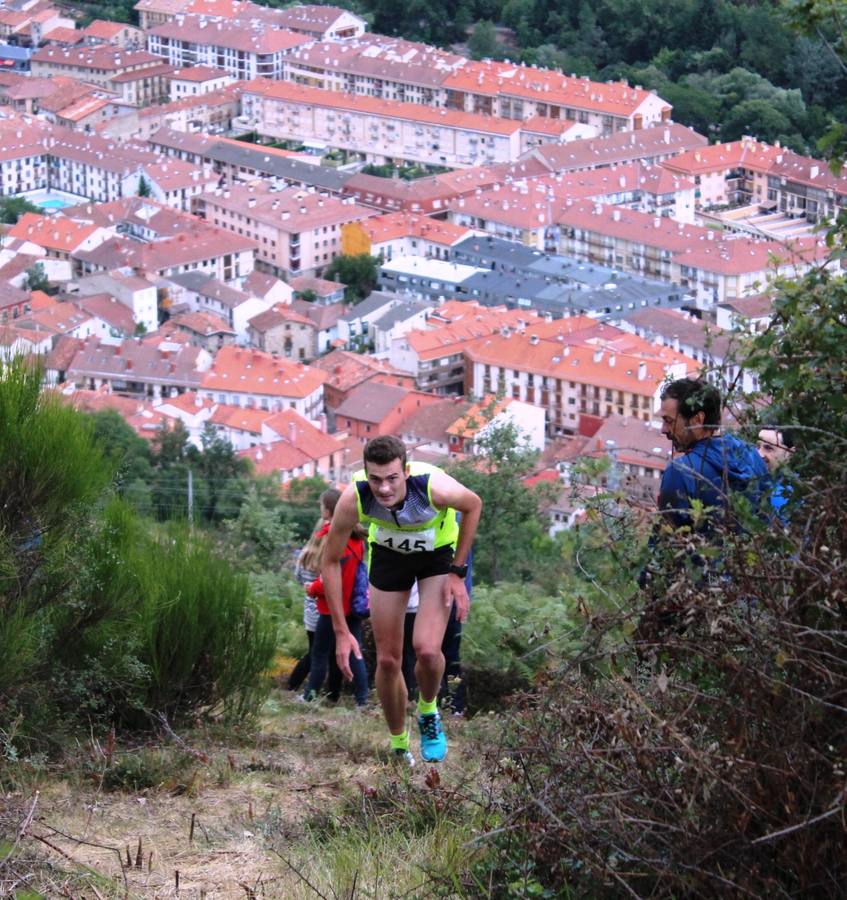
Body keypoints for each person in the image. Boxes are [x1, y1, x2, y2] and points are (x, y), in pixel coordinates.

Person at [321, 436, 482, 765]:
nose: (383, 489)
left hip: (435, 557)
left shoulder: (432, 487)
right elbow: (329, 560)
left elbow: (473, 504)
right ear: (366, 474)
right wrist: (340, 630)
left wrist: (457, 572)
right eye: (375, 479)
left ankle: (427, 710)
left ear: (406, 472)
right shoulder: (355, 498)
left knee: (425, 648)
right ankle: (398, 743)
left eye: (392, 478)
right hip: (389, 557)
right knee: (388, 661)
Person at [657, 378, 769, 533]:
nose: (663, 429)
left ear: (697, 420)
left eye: (669, 421)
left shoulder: (680, 471)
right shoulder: (752, 456)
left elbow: (664, 545)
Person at [303, 502, 370, 708]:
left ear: (329, 511)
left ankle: (310, 696)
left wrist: (312, 589)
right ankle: (362, 699)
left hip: (332, 608)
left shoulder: (335, 539)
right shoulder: (357, 540)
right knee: (356, 652)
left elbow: (331, 581)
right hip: (353, 607)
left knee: (319, 654)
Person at [289, 490, 343, 699]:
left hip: (310, 612)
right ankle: (331, 693)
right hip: (328, 610)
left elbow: (299, 579)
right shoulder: (331, 557)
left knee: (315, 652)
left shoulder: (305, 556)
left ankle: (294, 685)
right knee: (329, 654)